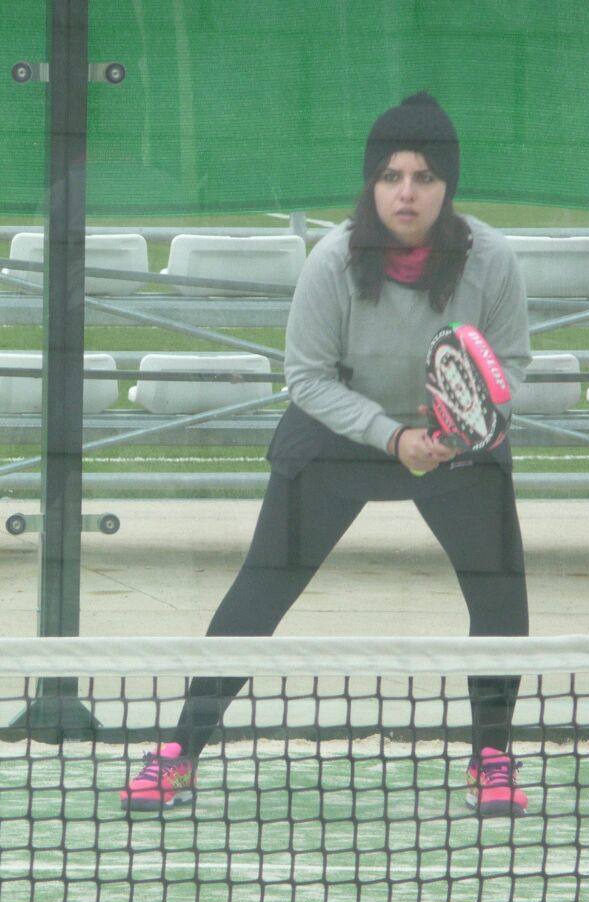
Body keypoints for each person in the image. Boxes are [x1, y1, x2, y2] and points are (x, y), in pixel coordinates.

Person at [119, 92, 533, 818]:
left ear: (449, 186)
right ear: (371, 183)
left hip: (454, 440)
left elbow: (513, 365)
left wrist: (455, 429)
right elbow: (305, 377)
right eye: (392, 175)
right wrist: (393, 437)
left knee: (501, 597)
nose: (407, 192)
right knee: (259, 591)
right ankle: (179, 751)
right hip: (340, 429)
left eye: (426, 177)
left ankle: (492, 756)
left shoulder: (492, 260)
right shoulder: (334, 260)